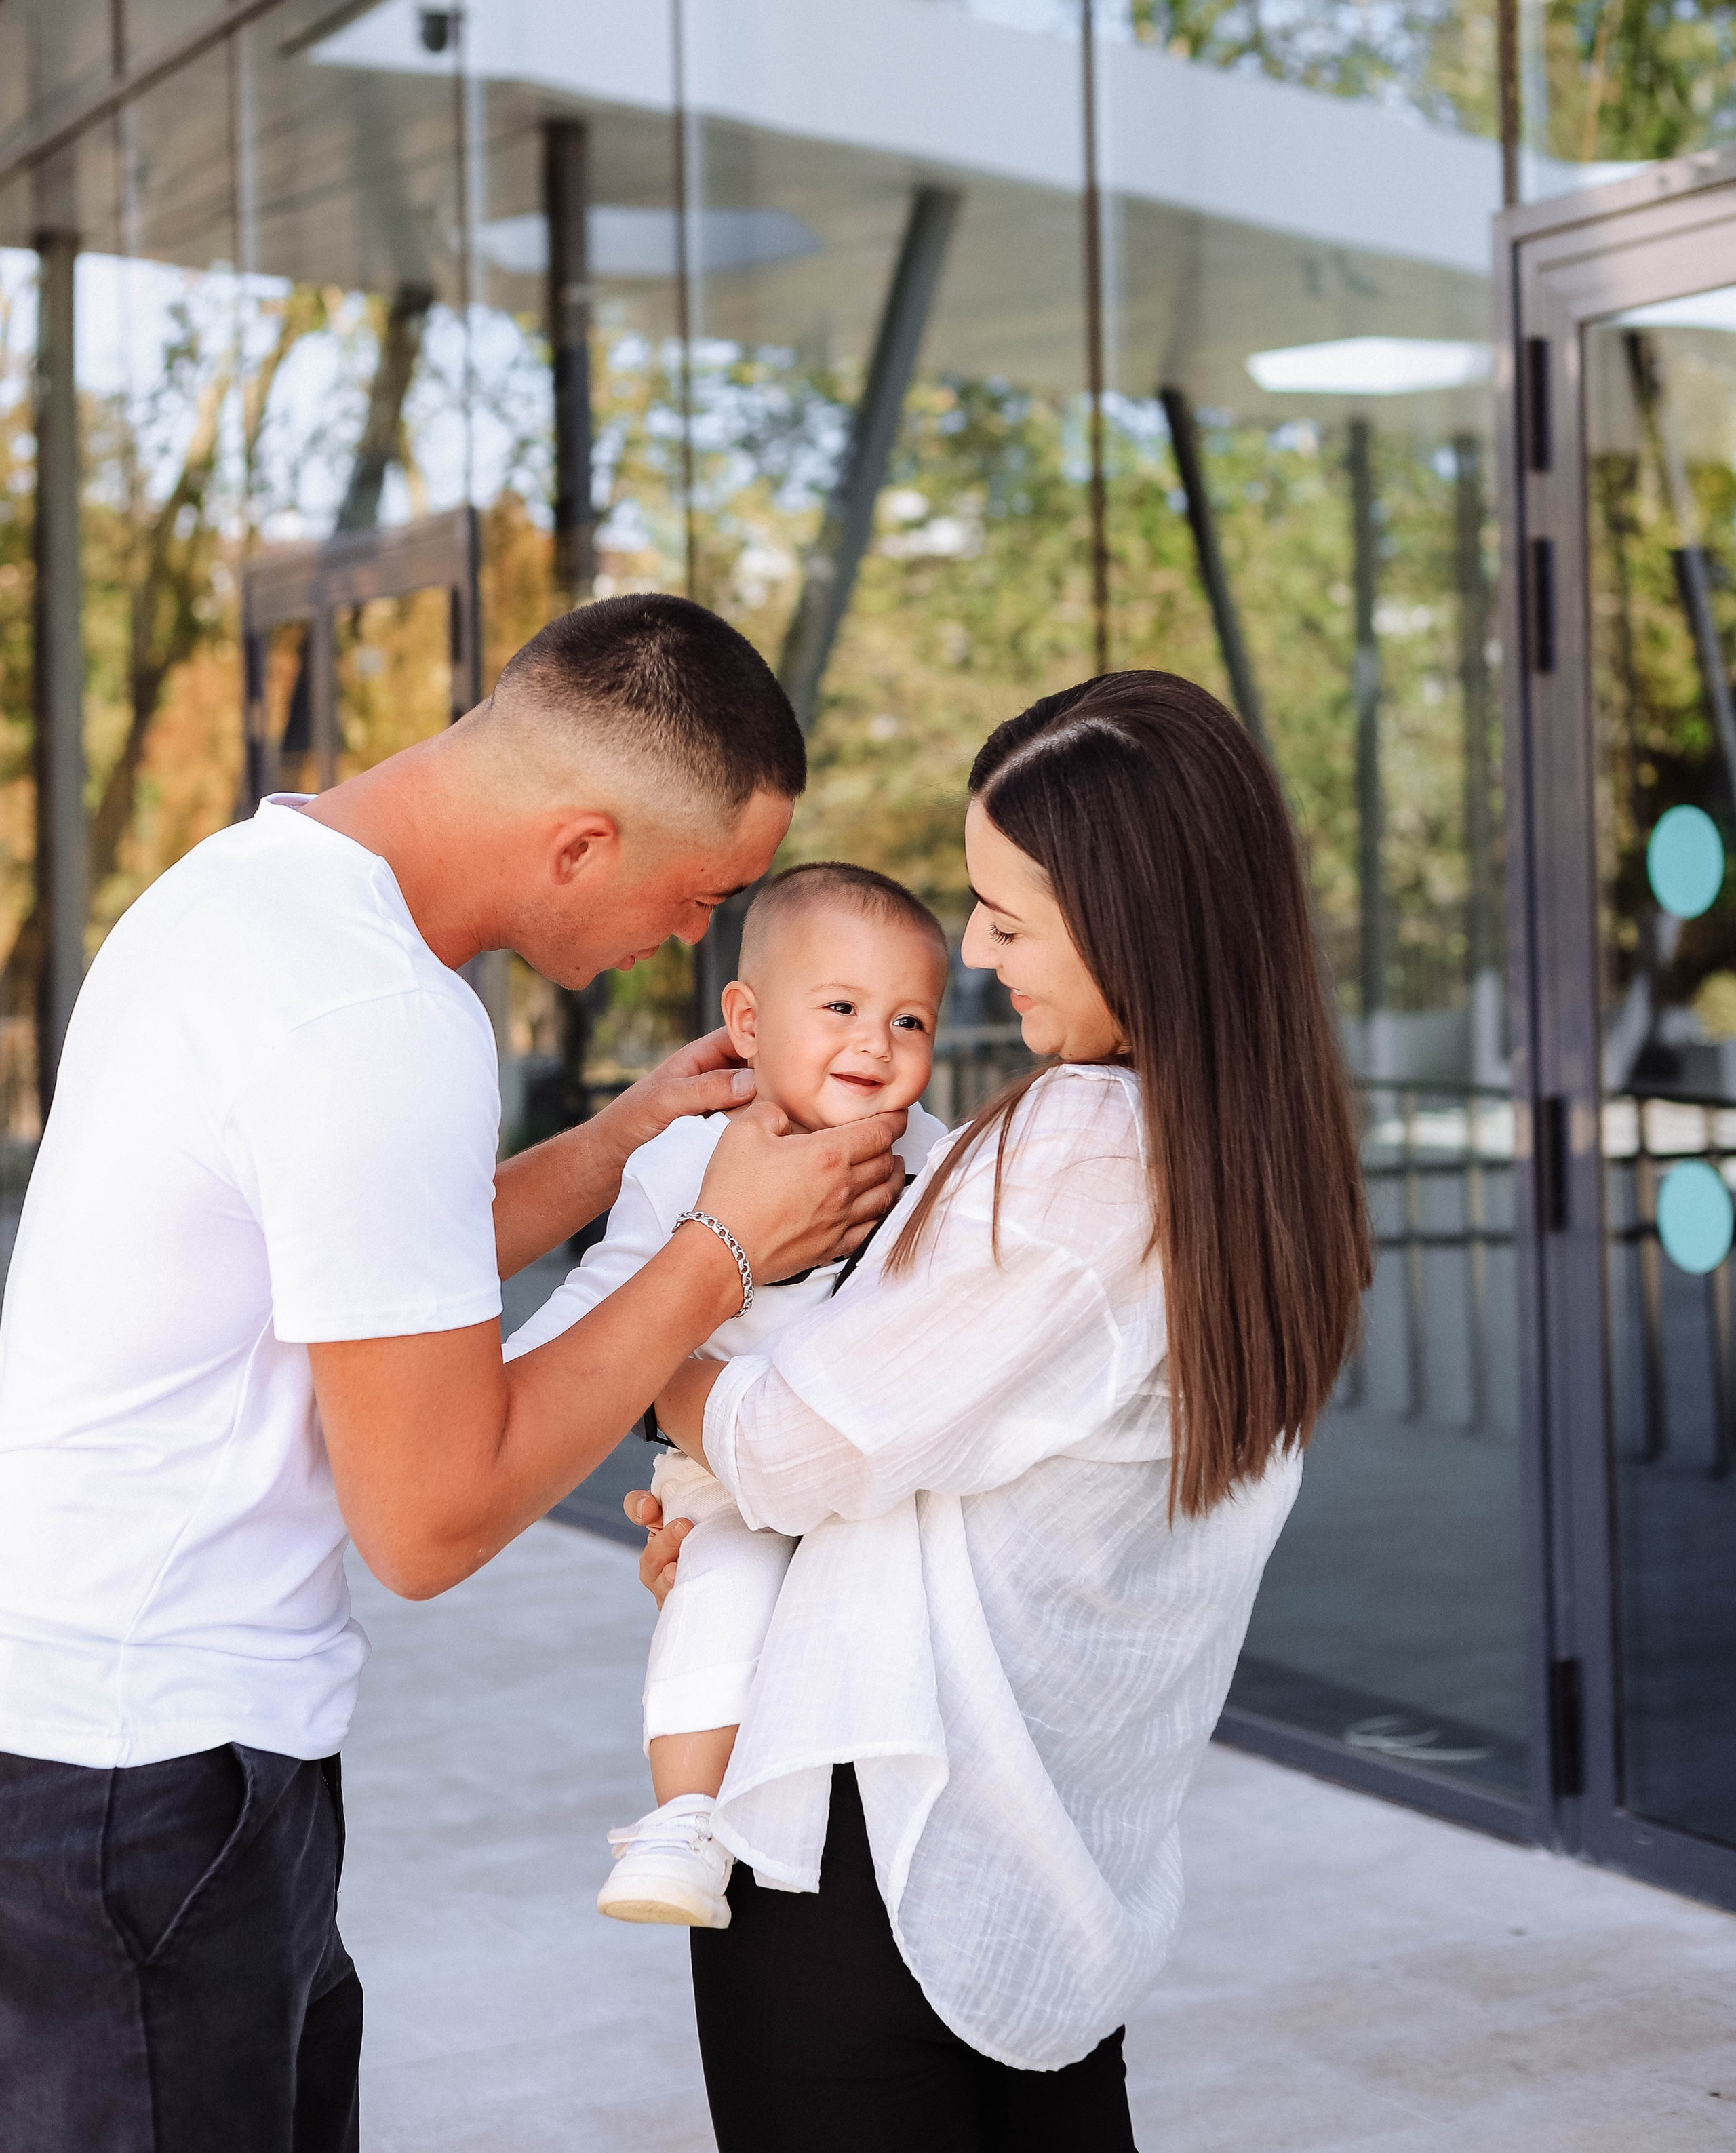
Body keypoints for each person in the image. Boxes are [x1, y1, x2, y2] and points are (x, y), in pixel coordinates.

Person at [0, 593, 903, 2153]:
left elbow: (365, 1272)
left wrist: (620, 1143)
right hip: (146, 1783)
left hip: (131, 1746)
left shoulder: (250, 888)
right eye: (699, 897)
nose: (694, 943)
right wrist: (717, 1253)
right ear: (576, 846)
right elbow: (427, 1522)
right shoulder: (377, 1018)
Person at [633, 670, 1371, 2152]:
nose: (971, 953)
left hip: (879, 1850)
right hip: (1050, 1866)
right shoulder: (1268, 1175)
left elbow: (794, 1446)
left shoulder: (1084, 1142)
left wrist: (662, 1347)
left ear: (1130, 920)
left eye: (1007, 919)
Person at [506, 861, 951, 1929]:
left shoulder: (936, 1161)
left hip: (879, 1479)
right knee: (725, 1587)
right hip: (724, 1470)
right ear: (747, 1022)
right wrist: (520, 1381)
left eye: (909, 1021)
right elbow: (606, 1291)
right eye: (841, 1008)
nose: (875, 1043)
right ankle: (686, 1820)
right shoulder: (687, 1154)